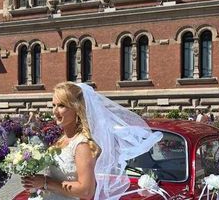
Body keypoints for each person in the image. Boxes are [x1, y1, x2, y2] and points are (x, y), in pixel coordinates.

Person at [21, 81, 162, 200]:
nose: (55, 111)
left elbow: (86, 191)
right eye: (54, 105)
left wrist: (45, 182)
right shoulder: (62, 139)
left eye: (62, 106)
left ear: (76, 109)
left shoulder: (82, 145)